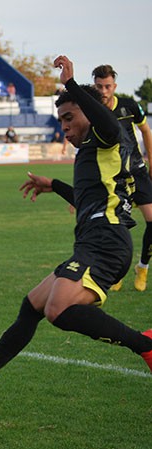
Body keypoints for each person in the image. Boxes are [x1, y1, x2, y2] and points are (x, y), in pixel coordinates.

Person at [0, 55, 152, 401]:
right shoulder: (90, 154)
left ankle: (145, 345)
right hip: (95, 240)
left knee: (58, 308)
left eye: (69, 118)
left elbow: (109, 124)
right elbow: (87, 199)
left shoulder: (106, 136)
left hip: (106, 240)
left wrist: (71, 84)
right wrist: (54, 185)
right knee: (34, 304)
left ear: (90, 111)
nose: (64, 127)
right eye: (61, 120)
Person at [92, 64, 152, 292]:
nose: (104, 91)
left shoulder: (129, 106)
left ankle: (143, 267)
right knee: (118, 227)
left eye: (107, 86)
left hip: (137, 170)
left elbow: (146, 131)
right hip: (113, 178)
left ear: (114, 86)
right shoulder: (93, 112)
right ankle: (118, 271)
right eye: (99, 87)